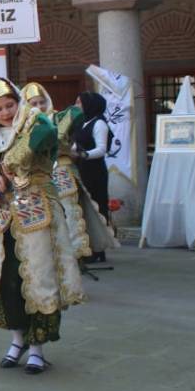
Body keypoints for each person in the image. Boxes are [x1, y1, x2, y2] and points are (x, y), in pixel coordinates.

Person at [0, 78, 84, 374]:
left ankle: (37, 348)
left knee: (39, 277)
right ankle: (17, 341)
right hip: (6, 216)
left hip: (38, 212)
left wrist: (9, 164)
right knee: (9, 280)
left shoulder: (36, 123)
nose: (6, 112)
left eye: (10, 105)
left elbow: (47, 131)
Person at [22, 83, 117, 262]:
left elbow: (95, 148)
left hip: (73, 169)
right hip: (41, 174)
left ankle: (84, 250)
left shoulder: (60, 119)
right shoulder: (23, 125)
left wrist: (77, 153)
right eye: (34, 103)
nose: (39, 107)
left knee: (76, 210)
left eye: (42, 102)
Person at [72, 91, 113, 264]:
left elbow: (102, 149)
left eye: (79, 103)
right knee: (82, 209)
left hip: (94, 170)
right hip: (79, 169)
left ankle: (99, 250)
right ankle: (85, 248)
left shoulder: (99, 124)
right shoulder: (81, 122)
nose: (76, 106)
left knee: (97, 207)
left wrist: (83, 155)